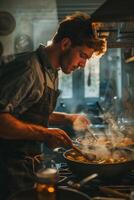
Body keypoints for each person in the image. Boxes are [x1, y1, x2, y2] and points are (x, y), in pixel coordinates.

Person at [0, 12, 106, 200]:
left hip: (27, 167)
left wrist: (67, 118)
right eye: (82, 55)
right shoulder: (29, 69)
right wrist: (45, 134)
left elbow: (29, 113)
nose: (82, 65)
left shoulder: (50, 71)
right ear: (65, 44)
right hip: (8, 171)